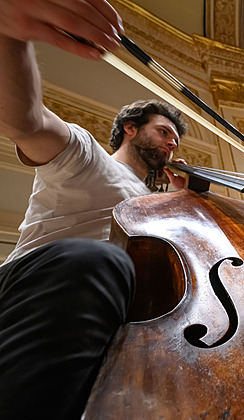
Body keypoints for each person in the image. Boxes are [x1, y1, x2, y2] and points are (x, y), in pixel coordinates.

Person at [0, 1, 188, 418]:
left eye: (176, 140)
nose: (172, 144)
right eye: (164, 132)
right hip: (34, 292)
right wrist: (8, 33)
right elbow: (26, 121)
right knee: (98, 259)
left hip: (110, 322)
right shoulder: (87, 156)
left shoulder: (164, 205)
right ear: (130, 128)